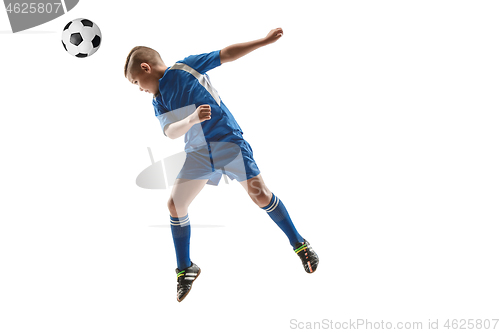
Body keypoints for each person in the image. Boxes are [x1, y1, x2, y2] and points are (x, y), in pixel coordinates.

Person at [124, 28, 319, 302]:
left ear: (146, 68)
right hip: (198, 154)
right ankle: (185, 268)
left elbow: (225, 54)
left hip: (228, 143)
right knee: (174, 205)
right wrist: (191, 120)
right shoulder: (158, 100)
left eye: (136, 82)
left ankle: (299, 243)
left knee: (260, 195)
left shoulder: (185, 68)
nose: (140, 89)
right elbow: (170, 132)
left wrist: (263, 41)